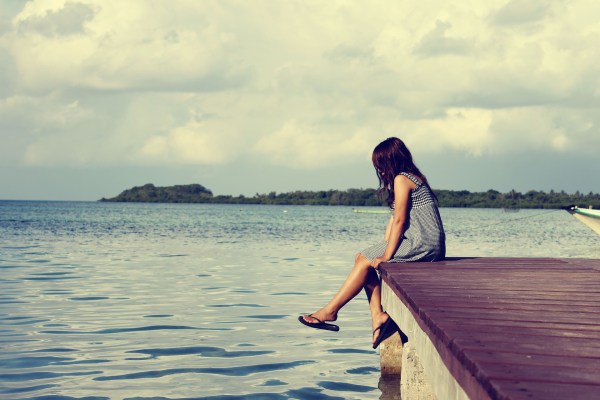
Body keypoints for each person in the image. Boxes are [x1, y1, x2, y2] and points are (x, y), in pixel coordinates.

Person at [298, 137, 446, 348]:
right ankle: (377, 317)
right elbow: (394, 220)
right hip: (422, 242)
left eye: (382, 166)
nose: (381, 172)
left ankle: (330, 311)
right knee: (363, 259)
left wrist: (386, 255)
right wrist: (383, 248)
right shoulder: (409, 178)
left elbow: (401, 221)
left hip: (423, 243)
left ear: (392, 161)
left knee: (364, 259)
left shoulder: (403, 179)